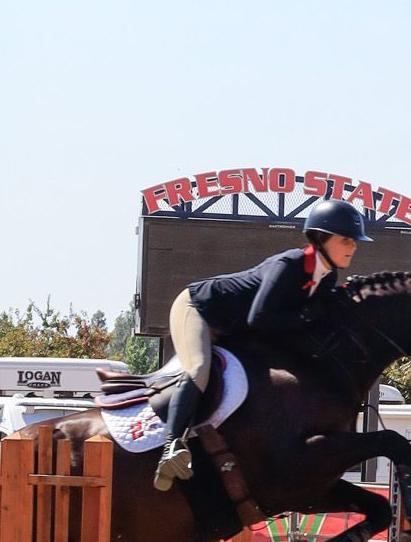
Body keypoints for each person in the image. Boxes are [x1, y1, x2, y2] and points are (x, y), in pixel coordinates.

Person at [154, 197, 372, 488]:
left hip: (236, 329)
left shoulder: (328, 277)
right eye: (346, 240)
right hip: (199, 309)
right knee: (199, 369)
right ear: (321, 239)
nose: (353, 247)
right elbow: (260, 318)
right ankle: (171, 447)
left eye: (354, 241)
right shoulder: (290, 264)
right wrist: (309, 314)